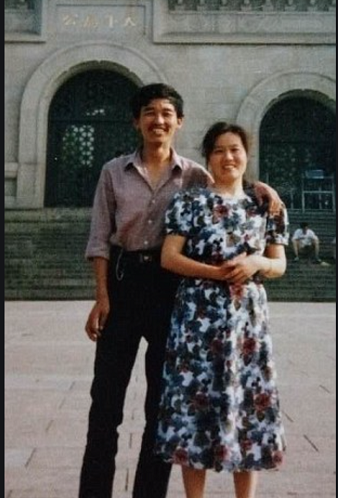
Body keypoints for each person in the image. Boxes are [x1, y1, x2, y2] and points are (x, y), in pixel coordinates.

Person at [78, 84, 282, 498]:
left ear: (179, 121)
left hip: (171, 291)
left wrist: (266, 190)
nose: (159, 120)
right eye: (149, 113)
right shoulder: (113, 172)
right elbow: (99, 239)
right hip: (123, 279)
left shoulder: (193, 174)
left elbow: (230, 183)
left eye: (167, 113)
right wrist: (102, 297)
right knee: (105, 403)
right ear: (136, 121)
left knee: (163, 403)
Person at [155, 121, 288, 498]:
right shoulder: (189, 201)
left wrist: (256, 263)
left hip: (247, 327)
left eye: (235, 149)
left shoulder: (267, 206)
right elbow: (169, 257)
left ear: (247, 155)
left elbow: (279, 265)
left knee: (248, 412)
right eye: (219, 150)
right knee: (193, 411)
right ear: (208, 159)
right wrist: (215, 272)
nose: (228, 157)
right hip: (197, 324)